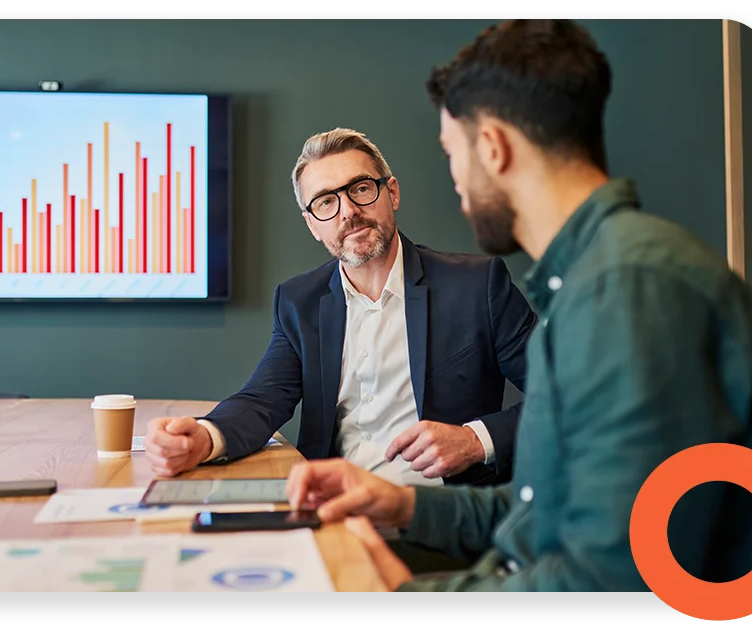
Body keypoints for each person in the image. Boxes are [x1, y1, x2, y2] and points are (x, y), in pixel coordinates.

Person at [285, 19, 752, 592]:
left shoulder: (629, 290)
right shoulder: (591, 281)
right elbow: (540, 511)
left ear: (492, 147)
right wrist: (403, 504)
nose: (456, 181)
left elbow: (615, 577)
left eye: (450, 153)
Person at [145, 128, 537, 496]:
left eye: (361, 188)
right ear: (312, 225)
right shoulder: (299, 302)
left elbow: (562, 393)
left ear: (392, 193)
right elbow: (263, 399)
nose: (347, 211)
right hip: (333, 509)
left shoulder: (476, 286)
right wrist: (204, 437)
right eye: (325, 202)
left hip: (442, 515)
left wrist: (474, 440)